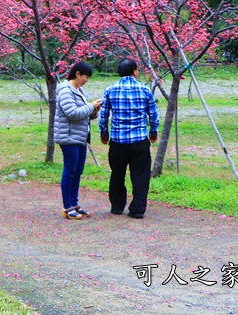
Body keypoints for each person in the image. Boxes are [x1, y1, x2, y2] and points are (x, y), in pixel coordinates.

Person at [99, 58, 160, 219]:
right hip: (139, 140)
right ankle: (138, 209)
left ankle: (117, 206)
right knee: (140, 175)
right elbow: (153, 114)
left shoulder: (110, 90)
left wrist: (104, 133)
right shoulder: (144, 90)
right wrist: (153, 131)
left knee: (117, 173)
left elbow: (104, 115)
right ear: (134, 71)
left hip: (118, 141)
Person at [54, 61, 102, 219]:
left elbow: (85, 113)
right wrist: (90, 106)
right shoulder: (65, 90)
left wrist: (94, 110)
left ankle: (74, 203)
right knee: (70, 171)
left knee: (77, 172)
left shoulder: (79, 90)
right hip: (68, 137)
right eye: (86, 77)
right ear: (78, 74)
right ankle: (67, 207)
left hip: (80, 137)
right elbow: (72, 113)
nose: (87, 80)